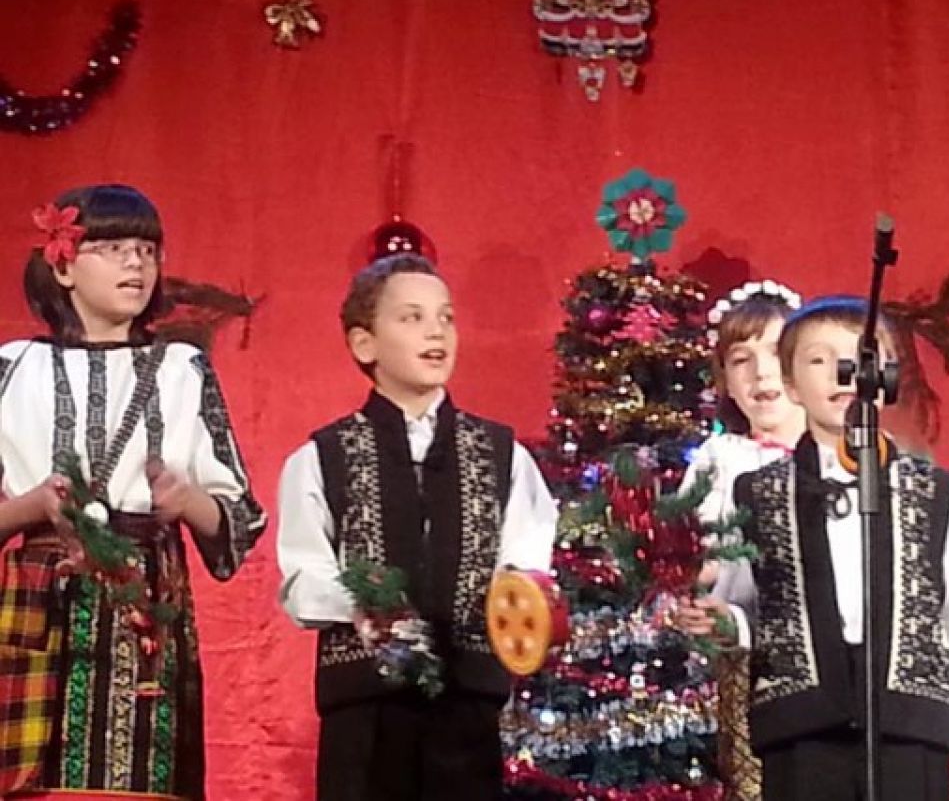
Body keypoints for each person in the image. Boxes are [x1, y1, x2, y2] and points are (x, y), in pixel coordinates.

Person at [0, 184, 266, 798]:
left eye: (147, 250)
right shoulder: (14, 368)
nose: (135, 263)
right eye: (113, 248)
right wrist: (34, 505)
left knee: (139, 773)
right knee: (30, 777)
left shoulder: (181, 369)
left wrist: (186, 501)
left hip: (144, 598)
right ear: (63, 266)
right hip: (40, 596)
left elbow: (241, 516)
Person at [277, 253, 558, 801]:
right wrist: (362, 604)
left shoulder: (502, 454)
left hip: (467, 707)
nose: (436, 331)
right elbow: (302, 580)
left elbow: (525, 567)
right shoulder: (322, 457)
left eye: (446, 317)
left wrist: (522, 606)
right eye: (412, 317)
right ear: (365, 344)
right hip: (365, 709)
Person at [738, 295, 949, 801]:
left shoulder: (932, 492)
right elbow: (741, 603)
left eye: (858, 359)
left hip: (910, 725)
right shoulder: (757, 493)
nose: (842, 375)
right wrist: (719, 619)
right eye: (819, 360)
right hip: (803, 729)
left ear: (886, 377)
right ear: (791, 384)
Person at [676, 280, 805, 800]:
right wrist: (690, 584)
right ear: (725, 381)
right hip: (745, 661)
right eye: (740, 360)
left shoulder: (843, 455)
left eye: (774, 352)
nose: (760, 372)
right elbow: (694, 555)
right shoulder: (720, 459)